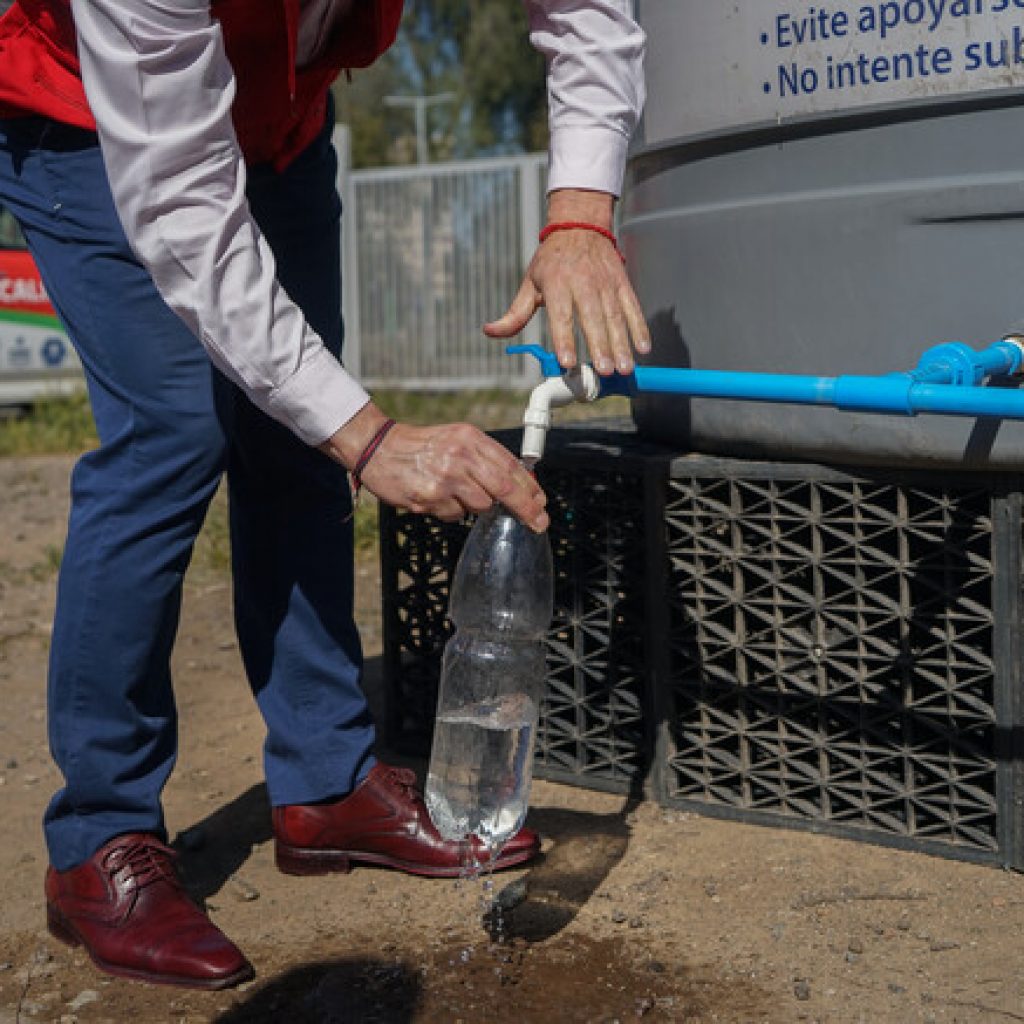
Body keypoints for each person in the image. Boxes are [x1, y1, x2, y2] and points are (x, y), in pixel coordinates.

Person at [0, 0, 648, 990]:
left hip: (283, 128)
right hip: (88, 112)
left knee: (295, 442)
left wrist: (579, 209)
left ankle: (324, 782)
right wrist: (374, 436)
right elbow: (181, 203)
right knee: (176, 432)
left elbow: (588, 10)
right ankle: (100, 836)